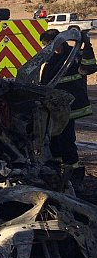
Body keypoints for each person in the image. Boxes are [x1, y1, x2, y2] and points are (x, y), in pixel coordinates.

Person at [40, 28, 95, 190]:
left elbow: (89, 68)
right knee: (54, 139)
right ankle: (56, 169)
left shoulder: (74, 54)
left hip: (71, 106)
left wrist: (87, 46)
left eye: (49, 44)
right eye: (45, 45)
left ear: (59, 41)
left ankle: (74, 172)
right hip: (56, 107)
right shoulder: (51, 59)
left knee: (66, 139)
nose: (47, 47)